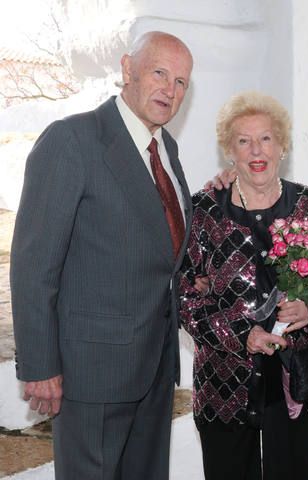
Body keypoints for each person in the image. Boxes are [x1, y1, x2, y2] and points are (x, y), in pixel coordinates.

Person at [11, 32, 194, 479]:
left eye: (182, 82)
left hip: (153, 369)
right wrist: (40, 367)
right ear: (127, 68)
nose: (170, 90)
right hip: (91, 374)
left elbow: (161, 247)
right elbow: (34, 265)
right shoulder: (72, 141)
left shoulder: (165, 149)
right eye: (160, 73)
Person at [178, 91, 308, 480]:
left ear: (282, 145)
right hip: (225, 383)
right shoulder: (203, 210)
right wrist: (241, 335)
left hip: (293, 378)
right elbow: (183, 298)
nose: (257, 149)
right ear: (229, 151)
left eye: (266, 138)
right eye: (243, 140)